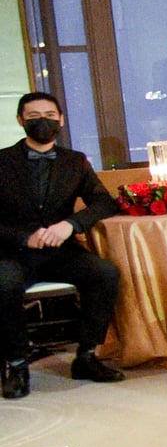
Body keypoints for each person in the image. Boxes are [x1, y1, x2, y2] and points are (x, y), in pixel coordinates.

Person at [0, 92, 123, 397]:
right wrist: (22, 236)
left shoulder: (75, 161)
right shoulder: (2, 161)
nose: (43, 121)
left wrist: (71, 224)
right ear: (20, 121)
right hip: (12, 253)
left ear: (61, 120)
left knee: (105, 274)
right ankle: (16, 363)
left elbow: (104, 202)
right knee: (3, 284)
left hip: (60, 252)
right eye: (33, 116)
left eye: (50, 115)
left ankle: (86, 356)